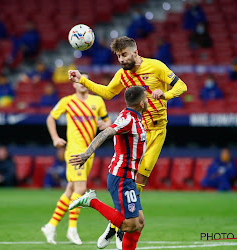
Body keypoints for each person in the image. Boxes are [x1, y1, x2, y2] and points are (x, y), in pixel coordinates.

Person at [68, 36, 187, 248]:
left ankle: (115, 226)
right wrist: (82, 80)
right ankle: (118, 224)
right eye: (118, 56)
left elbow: (182, 87)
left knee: (140, 178)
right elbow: (107, 92)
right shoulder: (122, 75)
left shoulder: (156, 67)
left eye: (123, 55)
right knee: (130, 179)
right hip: (136, 131)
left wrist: (165, 94)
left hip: (157, 131)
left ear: (134, 51)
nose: (121, 60)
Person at [69, 86, 148, 250]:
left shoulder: (130, 116)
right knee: (129, 225)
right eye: (146, 98)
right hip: (121, 177)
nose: (148, 101)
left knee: (139, 223)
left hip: (128, 177)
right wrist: (87, 153)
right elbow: (106, 133)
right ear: (141, 103)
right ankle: (91, 201)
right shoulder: (128, 120)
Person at [41, 73, 112, 245]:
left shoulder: (97, 102)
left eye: (84, 80)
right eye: (78, 81)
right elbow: (50, 118)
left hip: (90, 151)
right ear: (74, 84)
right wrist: (55, 138)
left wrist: (106, 125)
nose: (81, 84)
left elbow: (107, 121)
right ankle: (72, 229)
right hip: (74, 151)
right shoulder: (67, 101)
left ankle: (50, 226)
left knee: (71, 190)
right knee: (81, 188)